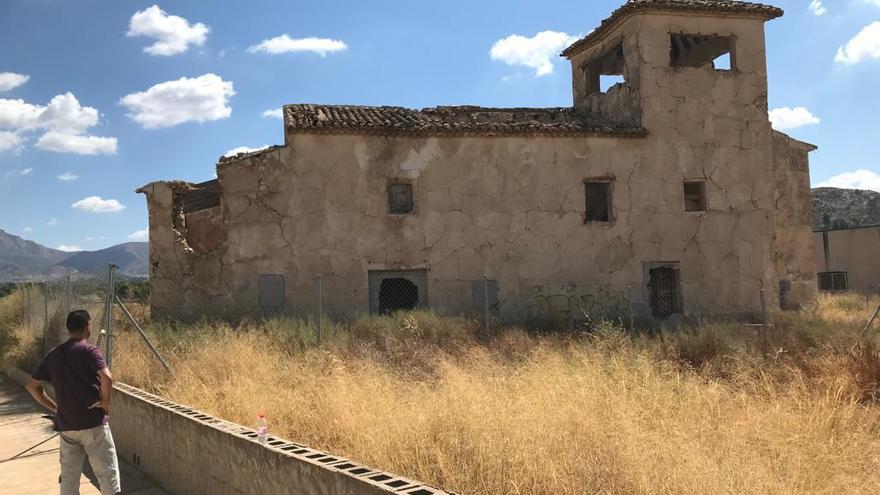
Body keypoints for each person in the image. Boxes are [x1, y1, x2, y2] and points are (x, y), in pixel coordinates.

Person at [25, 310, 121, 495]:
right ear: (87, 327)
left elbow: (32, 386)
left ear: (69, 329)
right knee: (107, 475)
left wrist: (55, 407)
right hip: (93, 425)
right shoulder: (89, 350)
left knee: (69, 478)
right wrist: (105, 403)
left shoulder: (54, 355)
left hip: (66, 426)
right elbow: (107, 378)